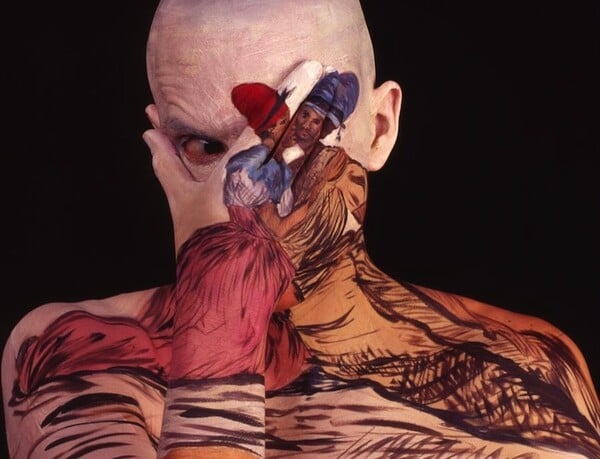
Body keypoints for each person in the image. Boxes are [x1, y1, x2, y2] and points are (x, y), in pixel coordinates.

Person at [2, 1, 599, 458]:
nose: (241, 191)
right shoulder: (79, 358)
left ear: (380, 128)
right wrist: (219, 289)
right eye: (204, 145)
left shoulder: (527, 375)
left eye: (294, 140)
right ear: (163, 144)